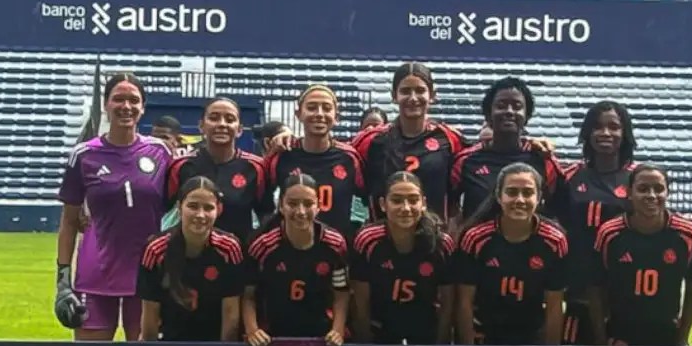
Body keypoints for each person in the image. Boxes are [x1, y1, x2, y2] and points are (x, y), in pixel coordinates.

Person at [55, 71, 171, 341]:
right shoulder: (84, 155)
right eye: (118, 99)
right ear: (106, 104)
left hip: (148, 275)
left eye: (134, 100)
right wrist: (62, 282)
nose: (126, 106)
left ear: (143, 107)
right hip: (95, 274)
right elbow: (69, 222)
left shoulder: (161, 152)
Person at [546, 100, 638, 345]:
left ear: (625, 133)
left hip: (623, 293)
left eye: (614, 127)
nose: (605, 133)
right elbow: (551, 221)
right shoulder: (570, 177)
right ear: (587, 132)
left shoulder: (636, 180)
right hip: (578, 293)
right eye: (597, 127)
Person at [590, 164, 692, 346]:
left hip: (667, 340)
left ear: (667, 192)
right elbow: (596, 288)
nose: (651, 195)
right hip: (620, 340)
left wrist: (682, 338)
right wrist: (601, 340)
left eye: (659, 189)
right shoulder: (610, 234)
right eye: (643, 189)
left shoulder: (688, 234)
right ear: (629, 192)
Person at [454, 162, 568, 346]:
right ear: (499, 196)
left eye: (528, 193)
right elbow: (465, 302)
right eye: (512, 192)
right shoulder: (475, 238)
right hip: (485, 337)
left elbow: (554, 305)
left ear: (539, 198)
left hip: (531, 338)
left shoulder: (555, 241)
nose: (520, 200)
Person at [243, 173, 350, 346]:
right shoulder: (262, 246)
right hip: (272, 337)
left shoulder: (335, 244)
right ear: (281, 206)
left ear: (319, 206)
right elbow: (248, 295)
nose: (301, 212)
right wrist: (252, 330)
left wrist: (337, 329)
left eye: (308, 204)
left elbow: (341, 293)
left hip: (322, 337)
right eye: (292, 204)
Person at [351, 63, 468, 221]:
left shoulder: (450, 139)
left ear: (432, 95)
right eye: (405, 91)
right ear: (394, 95)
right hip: (382, 234)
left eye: (420, 90)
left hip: (434, 233)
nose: (413, 98)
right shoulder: (370, 141)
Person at [350, 172, 455, 345]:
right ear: (383, 204)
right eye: (397, 200)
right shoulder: (367, 240)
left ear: (423, 203)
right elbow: (361, 304)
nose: (406, 208)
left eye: (413, 200)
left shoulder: (441, 244)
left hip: (426, 333)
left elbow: (447, 304)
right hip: (380, 332)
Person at [137, 176, 245, 342]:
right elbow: (150, 317)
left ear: (219, 210)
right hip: (169, 344)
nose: (200, 215)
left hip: (215, 345)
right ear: (179, 207)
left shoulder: (230, 248)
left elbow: (231, 314)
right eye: (193, 206)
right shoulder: (155, 250)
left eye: (208, 208)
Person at [450, 77, 564, 225]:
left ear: (527, 115)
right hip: (478, 239)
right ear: (489, 113)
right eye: (501, 105)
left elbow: (559, 209)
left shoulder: (542, 158)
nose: (509, 111)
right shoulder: (466, 160)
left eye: (517, 106)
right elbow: (450, 208)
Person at [266, 84, 366, 236]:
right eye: (311, 108)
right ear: (298, 114)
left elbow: (366, 200)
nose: (319, 114)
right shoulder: (283, 154)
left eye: (326, 108)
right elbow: (263, 202)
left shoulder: (350, 158)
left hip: (337, 246)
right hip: (291, 245)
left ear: (336, 117)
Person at [165, 97, 271, 239]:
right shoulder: (181, 166)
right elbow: (162, 212)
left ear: (239, 129)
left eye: (230, 119)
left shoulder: (256, 167)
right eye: (214, 118)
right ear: (201, 126)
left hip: (239, 251)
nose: (222, 124)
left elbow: (266, 215)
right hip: (188, 251)